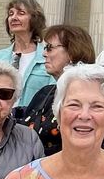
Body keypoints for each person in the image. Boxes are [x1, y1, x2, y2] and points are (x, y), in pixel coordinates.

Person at [19, 24, 97, 156]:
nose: (44, 54)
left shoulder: (91, 96)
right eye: (45, 48)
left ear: (72, 52)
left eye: (49, 48)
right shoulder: (45, 93)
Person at [0, 0, 56, 106]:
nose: (13, 18)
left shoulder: (48, 58)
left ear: (34, 19)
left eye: (21, 13)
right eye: (11, 14)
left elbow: (53, 96)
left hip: (32, 116)